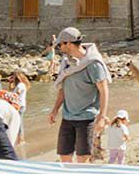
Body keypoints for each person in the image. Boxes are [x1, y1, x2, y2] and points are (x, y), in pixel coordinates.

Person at [47, 27, 110, 164]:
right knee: (64, 157)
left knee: (83, 159)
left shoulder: (93, 64)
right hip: (67, 117)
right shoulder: (66, 63)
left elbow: (104, 90)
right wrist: (55, 109)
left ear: (68, 43)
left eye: (61, 44)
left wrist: (101, 117)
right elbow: (63, 88)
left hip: (87, 118)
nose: (60, 48)